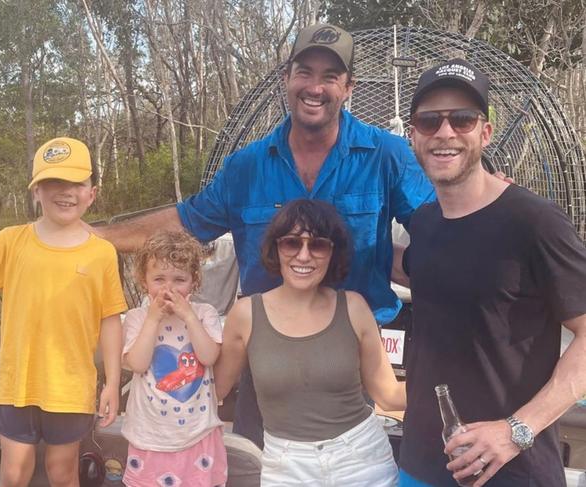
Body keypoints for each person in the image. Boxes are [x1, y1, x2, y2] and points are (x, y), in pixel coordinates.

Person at [93, 22, 434, 447]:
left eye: (330, 77)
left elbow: (438, 227)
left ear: (349, 88)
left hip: (352, 356)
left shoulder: (387, 155)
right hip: (264, 356)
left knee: (347, 460)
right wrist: (92, 237)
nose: (315, 87)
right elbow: (189, 221)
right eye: (304, 72)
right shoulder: (246, 166)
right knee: (255, 463)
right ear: (285, 79)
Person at [394, 59, 586, 486]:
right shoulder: (424, 224)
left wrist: (517, 431)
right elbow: (414, 270)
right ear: (414, 137)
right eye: (429, 121)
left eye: (461, 119)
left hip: (513, 470)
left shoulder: (535, 222)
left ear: (485, 132)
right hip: (420, 465)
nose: (445, 132)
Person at [0, 137, 127, 487]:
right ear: (36, 191)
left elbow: (110, 319)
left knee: (62, 471)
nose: (65, 192)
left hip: (70, 386)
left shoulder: (102, 253)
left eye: (76, 183)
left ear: (92, 193)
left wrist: (112, 382)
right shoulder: (11, 241)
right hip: (16, 383)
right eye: (53, 182)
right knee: (14, 471)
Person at [215, 199, 404, 486]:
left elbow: (389, 395)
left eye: (317, 245)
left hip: (361, 461)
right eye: (292, 243)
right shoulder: (245, 315)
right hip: (287, 467)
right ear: (276, 248)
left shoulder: (354, 308)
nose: (303, 256)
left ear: (332, 253)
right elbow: (213, 389)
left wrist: (462, 385)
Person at [121, 230, 227, 487]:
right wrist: (153, 319)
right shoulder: (137, 318)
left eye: (179, 279)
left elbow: (209, 356)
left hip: (197, 433)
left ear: (194, 282)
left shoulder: (204, 313)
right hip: (149, 435)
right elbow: (137, 363)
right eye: (159, 279)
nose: (168, 289)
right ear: (144, 281)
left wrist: (189, 317)